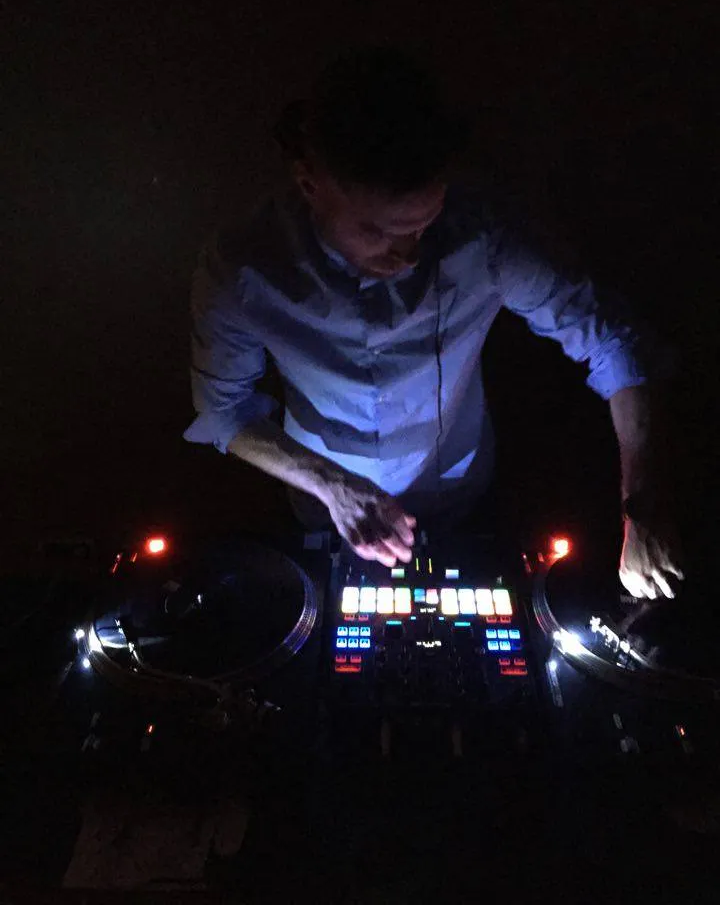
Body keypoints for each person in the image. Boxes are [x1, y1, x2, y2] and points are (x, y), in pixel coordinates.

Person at [184, 46, 683, 601]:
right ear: (309, 185)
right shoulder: (242, 267)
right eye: (378, 232)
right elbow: (224, 411)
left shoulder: (487, 234)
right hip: (320, 507)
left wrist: (643, 507)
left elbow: (614, 344)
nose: (408, 255)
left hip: (464, 499)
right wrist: (332, 486)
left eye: (423, 225)